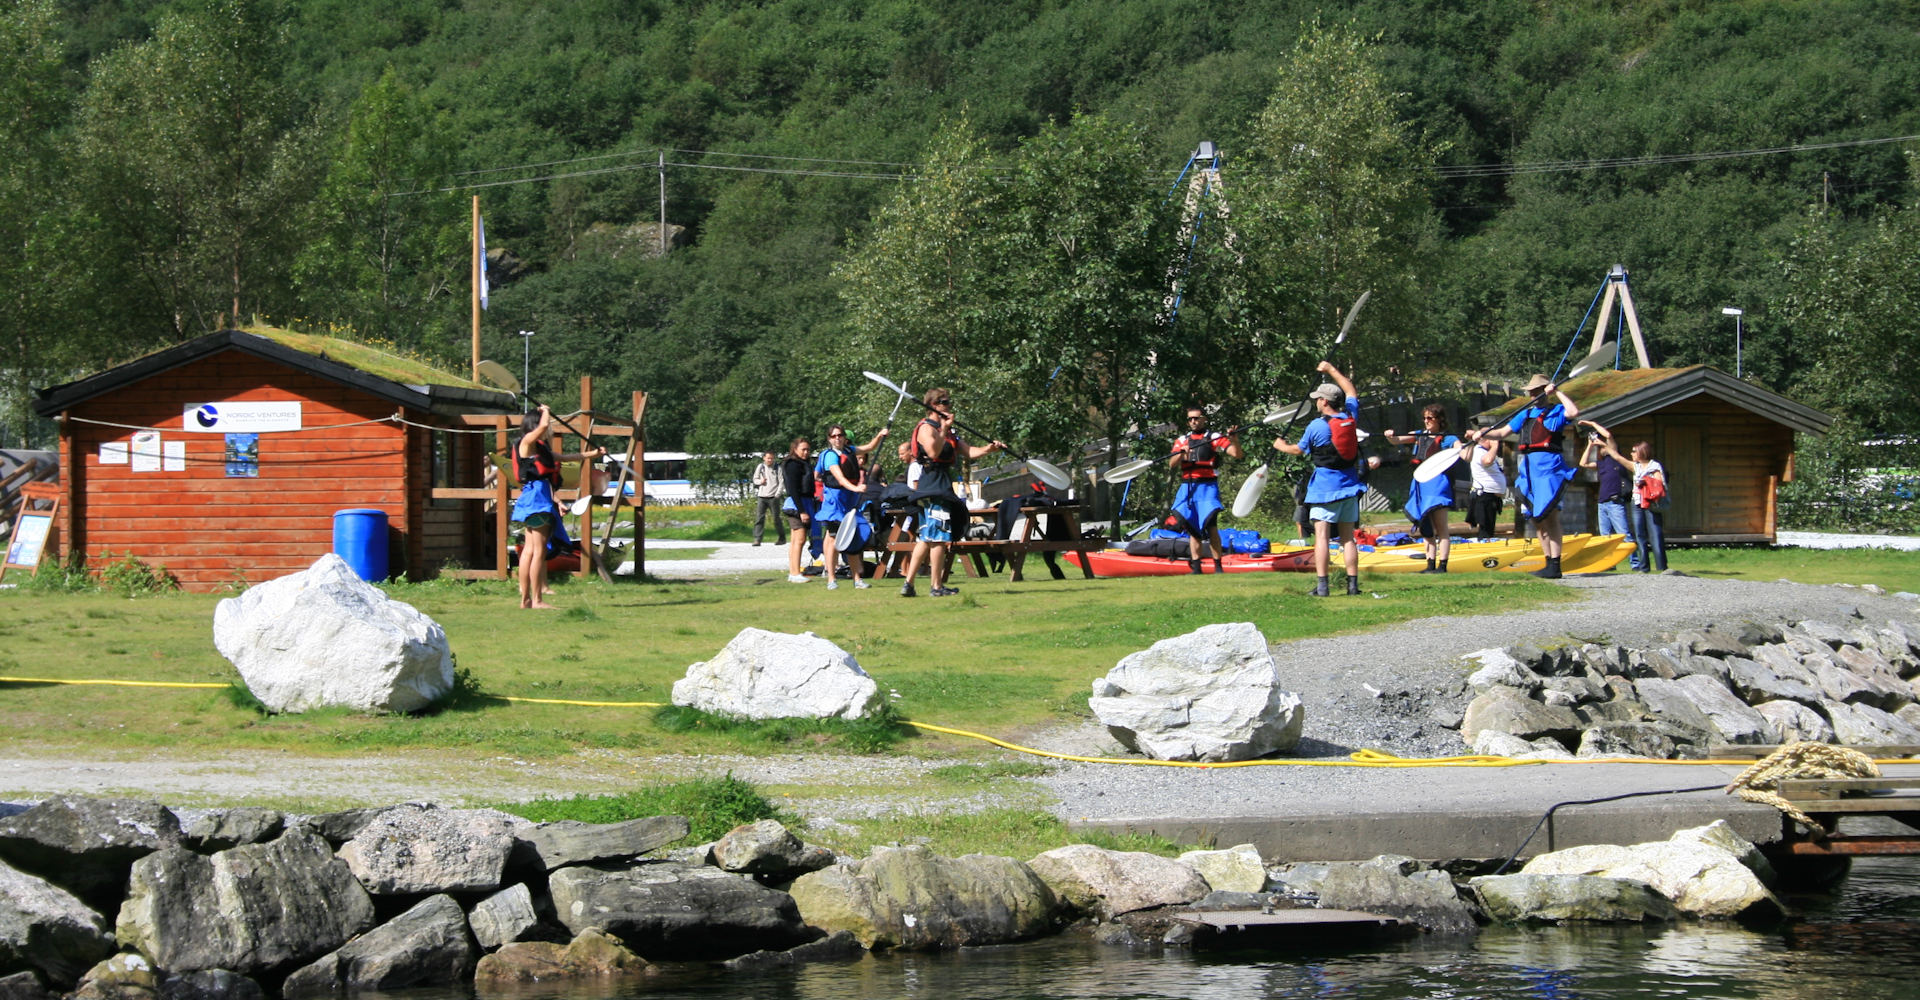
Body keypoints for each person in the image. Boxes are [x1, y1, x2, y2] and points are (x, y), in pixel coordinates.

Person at [1468, 374, 1580, 579]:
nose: (1533, 395)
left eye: (1537, 391)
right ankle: (1548, 562)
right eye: (1531, 392)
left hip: (1549, 470)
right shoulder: (1525, 415)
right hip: (1529, 472)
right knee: (1537, 519)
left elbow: (1573, 411)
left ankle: (1556, 564)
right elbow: (1501, 433)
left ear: (1545, 390)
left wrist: (1558, 392)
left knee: (1551, 516)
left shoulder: (1556, 410)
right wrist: (1483, 433)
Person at [1272, 362, 1366, 596]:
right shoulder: (1350, 417)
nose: (1316, 401)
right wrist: (1332, 370)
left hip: (1325, 489)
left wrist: (1280, 446)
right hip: (1350, 487)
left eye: (1318, 398)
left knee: (1322, 537)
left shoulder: (1317, 426)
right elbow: (1351, 391)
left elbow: (1299, 450)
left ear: (1324, 401)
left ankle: (1323, 586)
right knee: (1348, 539)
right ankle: (1352, 586)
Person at [900, 387, 1005, 598]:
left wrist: (988, 449)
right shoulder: (926, 428)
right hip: (932, 483)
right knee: (938, 537)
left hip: (942, 483)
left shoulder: (948, 431)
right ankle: (936, 586)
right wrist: (943, 428)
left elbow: (967, 452)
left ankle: (908, 584)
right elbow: (933, 451)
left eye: (949, 402)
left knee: (927, 537)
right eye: (945, 402)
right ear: (934, 406)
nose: (949, 406)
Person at [509, 404, 603, 609]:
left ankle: (526, 600)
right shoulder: (527, 442)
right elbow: (542, 428)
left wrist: (593, 454)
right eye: (546, 426)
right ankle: (536, 600)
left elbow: (566, 458)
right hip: (537, 500)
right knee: (537, 551)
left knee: (530, 550)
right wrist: (546, 411)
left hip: (533, 500)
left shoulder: (540, 450)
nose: (549, 429)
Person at [1166, 404, 1244, 574]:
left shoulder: (1214, 437)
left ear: (1204, 419)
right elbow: (1172, 464)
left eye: (1196, 418)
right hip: (1188, 487)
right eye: (1190, 419)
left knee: (1211, 525)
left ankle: (1218, 566)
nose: (1193, 421)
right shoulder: (1181, 441)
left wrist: (1234, 440)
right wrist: (1181, 453)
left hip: (1208, 487)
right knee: (1193, 529)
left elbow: (1237, 454)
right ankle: (1196, 567)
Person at [1384, 404, 1460, 572]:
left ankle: (1443, 565)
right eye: (1424, 418)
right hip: (1420, 484)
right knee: (1426, 527)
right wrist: (1390, 436)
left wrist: (1463, 446)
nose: (1426, 421)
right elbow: (1396, 440)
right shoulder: (1418, 435)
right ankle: (1430, 564)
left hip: (1438, 485)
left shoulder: (1448, 438)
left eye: (1430, 418)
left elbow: (1459, 450)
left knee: (1441, 528)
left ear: (1439, 419)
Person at [816, 423, 889, 590]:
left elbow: (869, 447)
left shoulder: (849, 450)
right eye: (834, 436)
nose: (837, 439)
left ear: (844, 437)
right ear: (829, 439)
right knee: (835, 539)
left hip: (850, 502)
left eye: (840, 435)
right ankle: (831, 579)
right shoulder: (829, 456)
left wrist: (880, 435)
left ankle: (857, 579)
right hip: (835, 504)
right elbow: (839, 478)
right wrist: (856, 487)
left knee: (853, 540)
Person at [1599, 435, 1669, 572]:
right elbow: (1618, 457)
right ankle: (1644, 567)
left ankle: (1661, 566)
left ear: (1642, 452)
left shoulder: (1654, 466)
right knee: (1640, 534)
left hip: (1651, 503)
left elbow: (1658, 484)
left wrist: (1645, 481)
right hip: (1637, 503)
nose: (1631, 454)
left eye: (1634, 451)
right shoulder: (1635, 466)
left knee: (1655, 534)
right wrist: (1602, 444)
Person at [1578, 421, 1639, 569]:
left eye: (1603, 444)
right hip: (1602, 503)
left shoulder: (1615, 458)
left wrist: (1591, 423)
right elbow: (1583, 463)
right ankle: (1609, 564)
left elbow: (1609, 435)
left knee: (1624, 534)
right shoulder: (1601, 463)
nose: (1602, 446)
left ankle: (1635, 563)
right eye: (1600, 447)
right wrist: (1590, 445)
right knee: (1605, 537)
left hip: (1615, 503)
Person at [780, 437, 815, 583]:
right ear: (795, 449)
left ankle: (793, 571)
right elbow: (793, 489)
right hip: (796, 504)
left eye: (808, 449)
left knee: (796, 539)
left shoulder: (804, 464)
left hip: (805, 502)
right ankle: (795, 573)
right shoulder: (792, 465)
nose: (806, 452)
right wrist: (802, 510)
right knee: (799, 539)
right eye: (803, 449)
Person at [1463, 436, 1507, 543]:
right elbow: (1487, 461)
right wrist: (1495, 445)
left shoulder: (1485, 451)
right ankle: (1484, 550)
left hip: (1490, 497)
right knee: (1485, 528)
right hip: (1484, 495)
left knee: (1488, 527)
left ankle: (1486, 546)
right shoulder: (1479, 451)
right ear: (1487, 439)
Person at [749, 451, 781, 546]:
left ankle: (781, 537)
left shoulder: (777, 468)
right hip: (762, 496)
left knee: (776, 518)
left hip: (773, 497)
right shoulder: (760, 467)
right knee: (759, 518)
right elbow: (755, 479)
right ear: (764, 458)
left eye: (771, 458)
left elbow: (781, 482)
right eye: (768, 458)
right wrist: (760, 481)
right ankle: (757, 539)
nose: (770, 460)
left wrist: (777, 494)